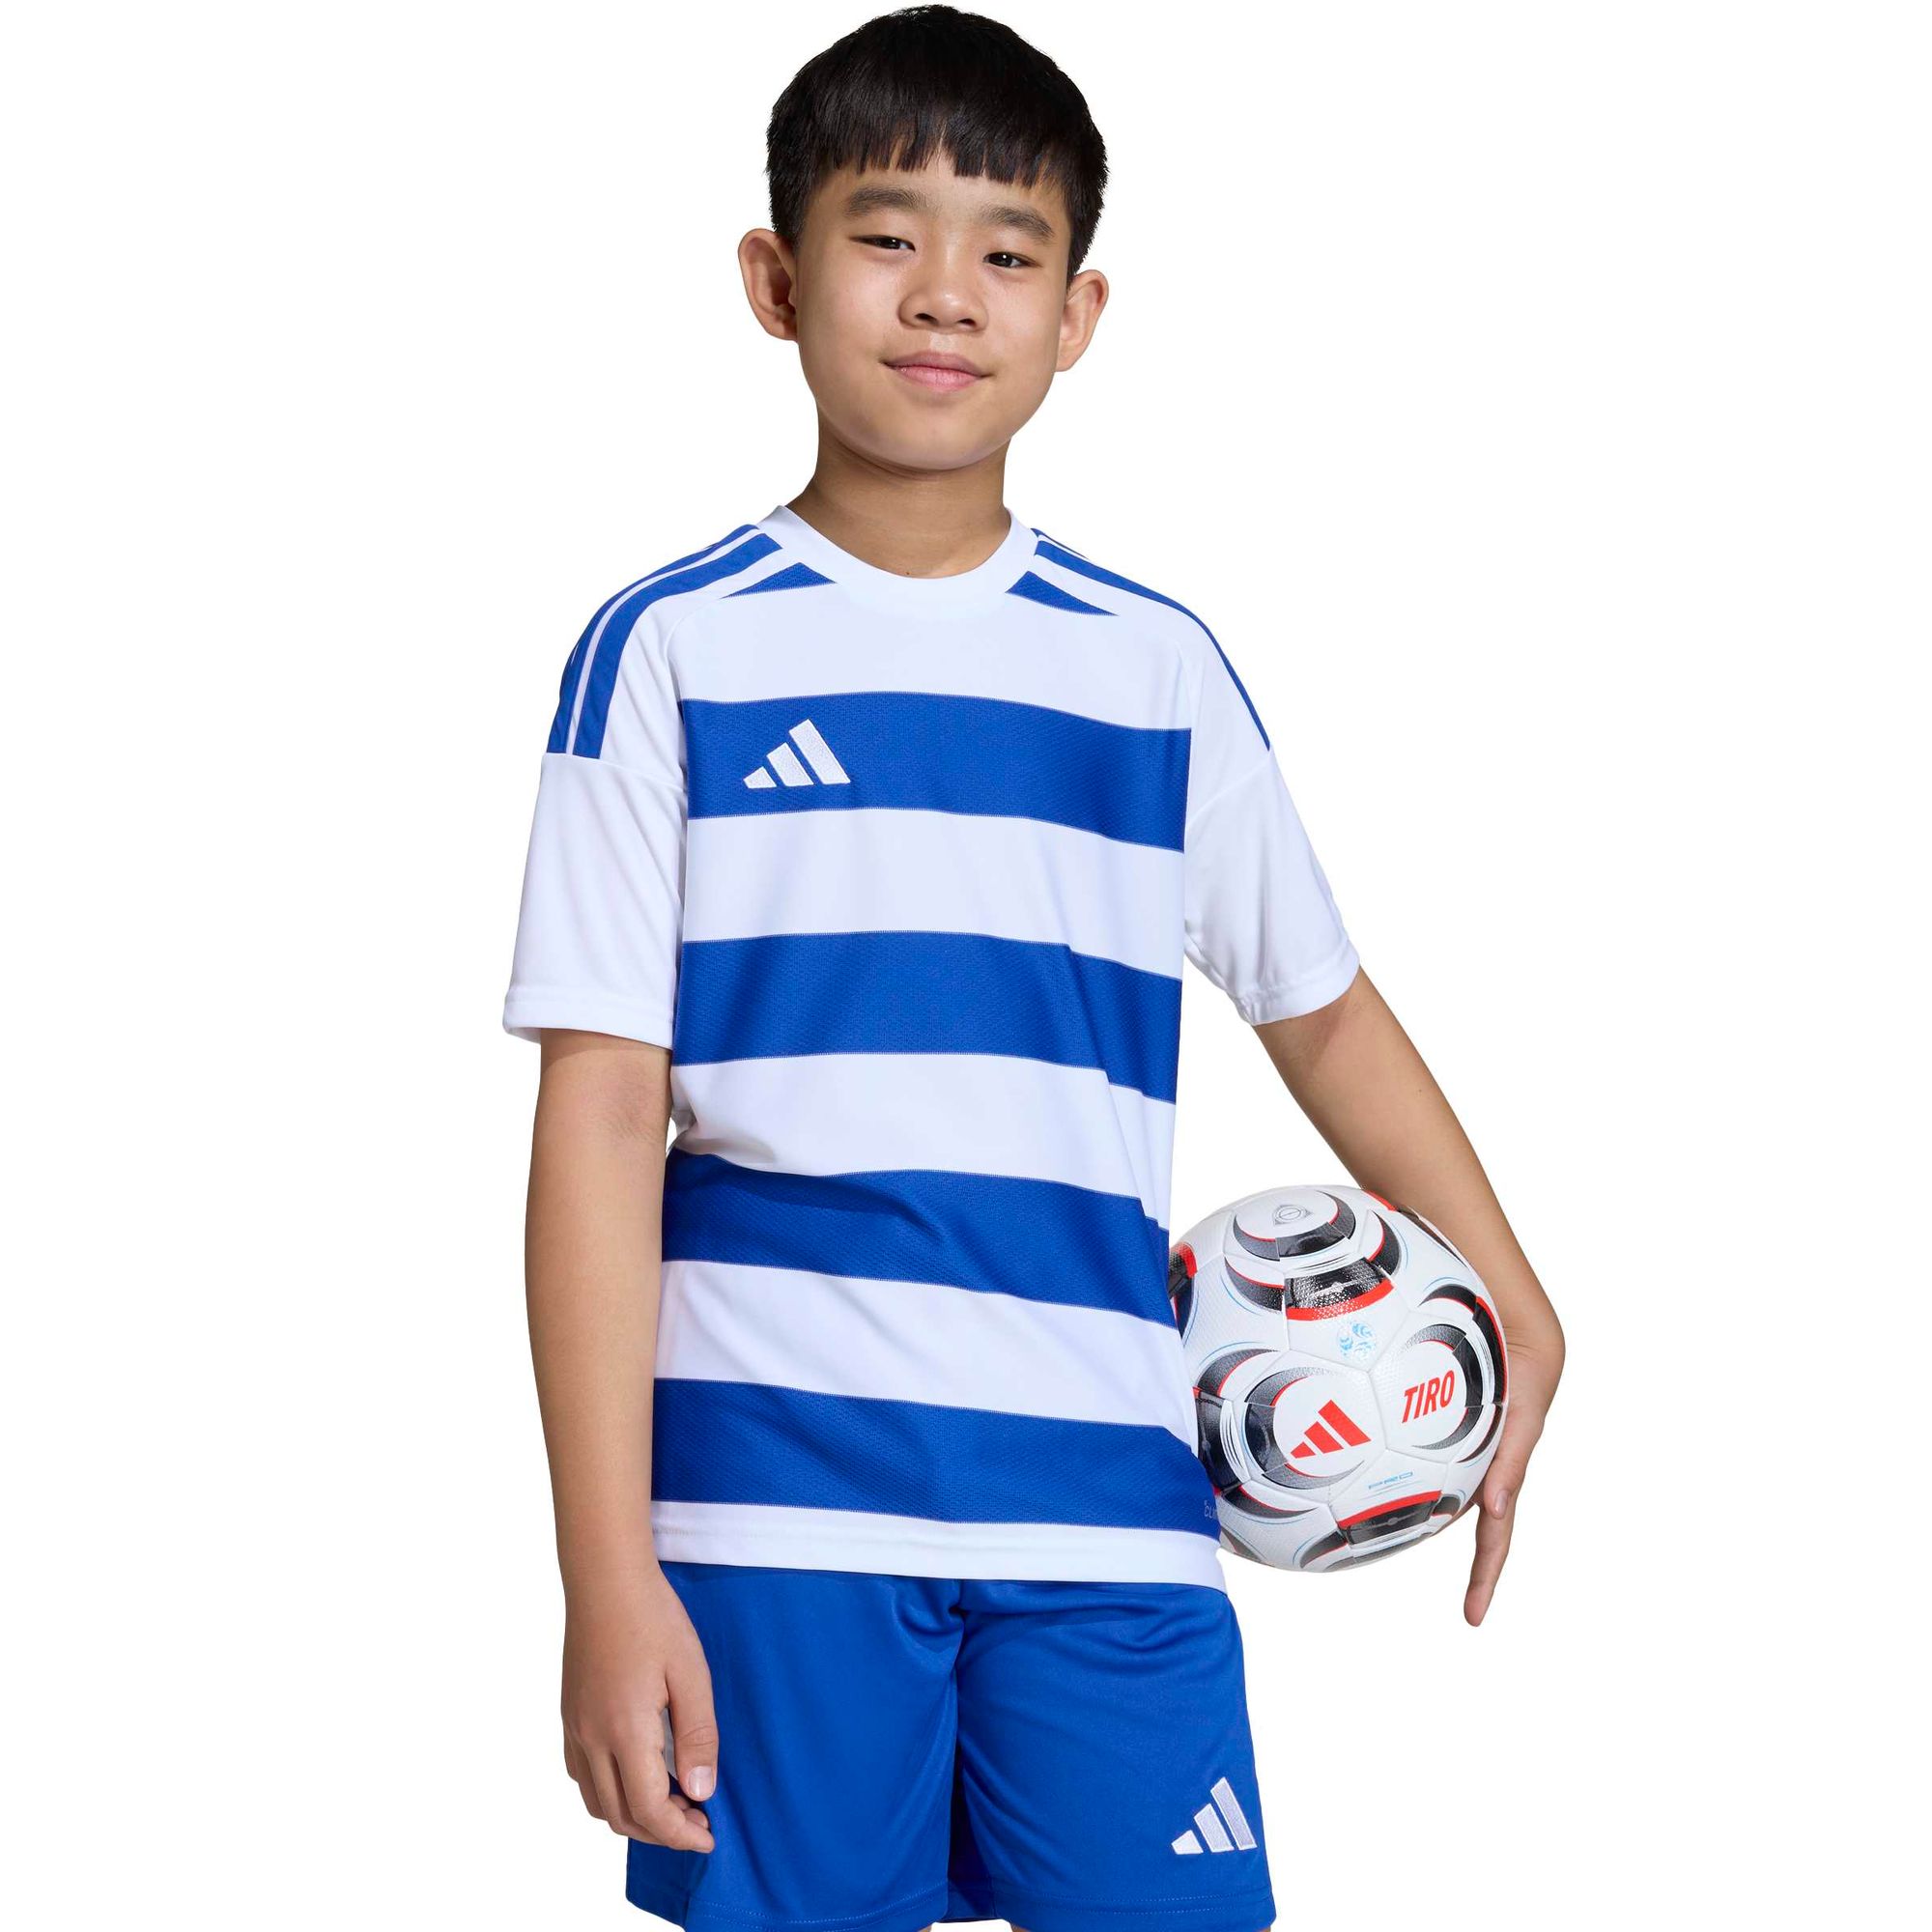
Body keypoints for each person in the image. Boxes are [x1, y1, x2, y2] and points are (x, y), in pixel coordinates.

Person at [503, 9, 1565, 1931]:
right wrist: (604, 1567)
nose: (944, 294)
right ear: (775, 280)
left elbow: (1319, 1006)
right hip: (773, 1510)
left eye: (1006, 252)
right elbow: (596, 1113)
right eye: (884, 235)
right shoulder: (666, 652)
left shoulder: (1153, 669)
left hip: (1110, 1503)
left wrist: (1513, 1283)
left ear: (1077, 315)